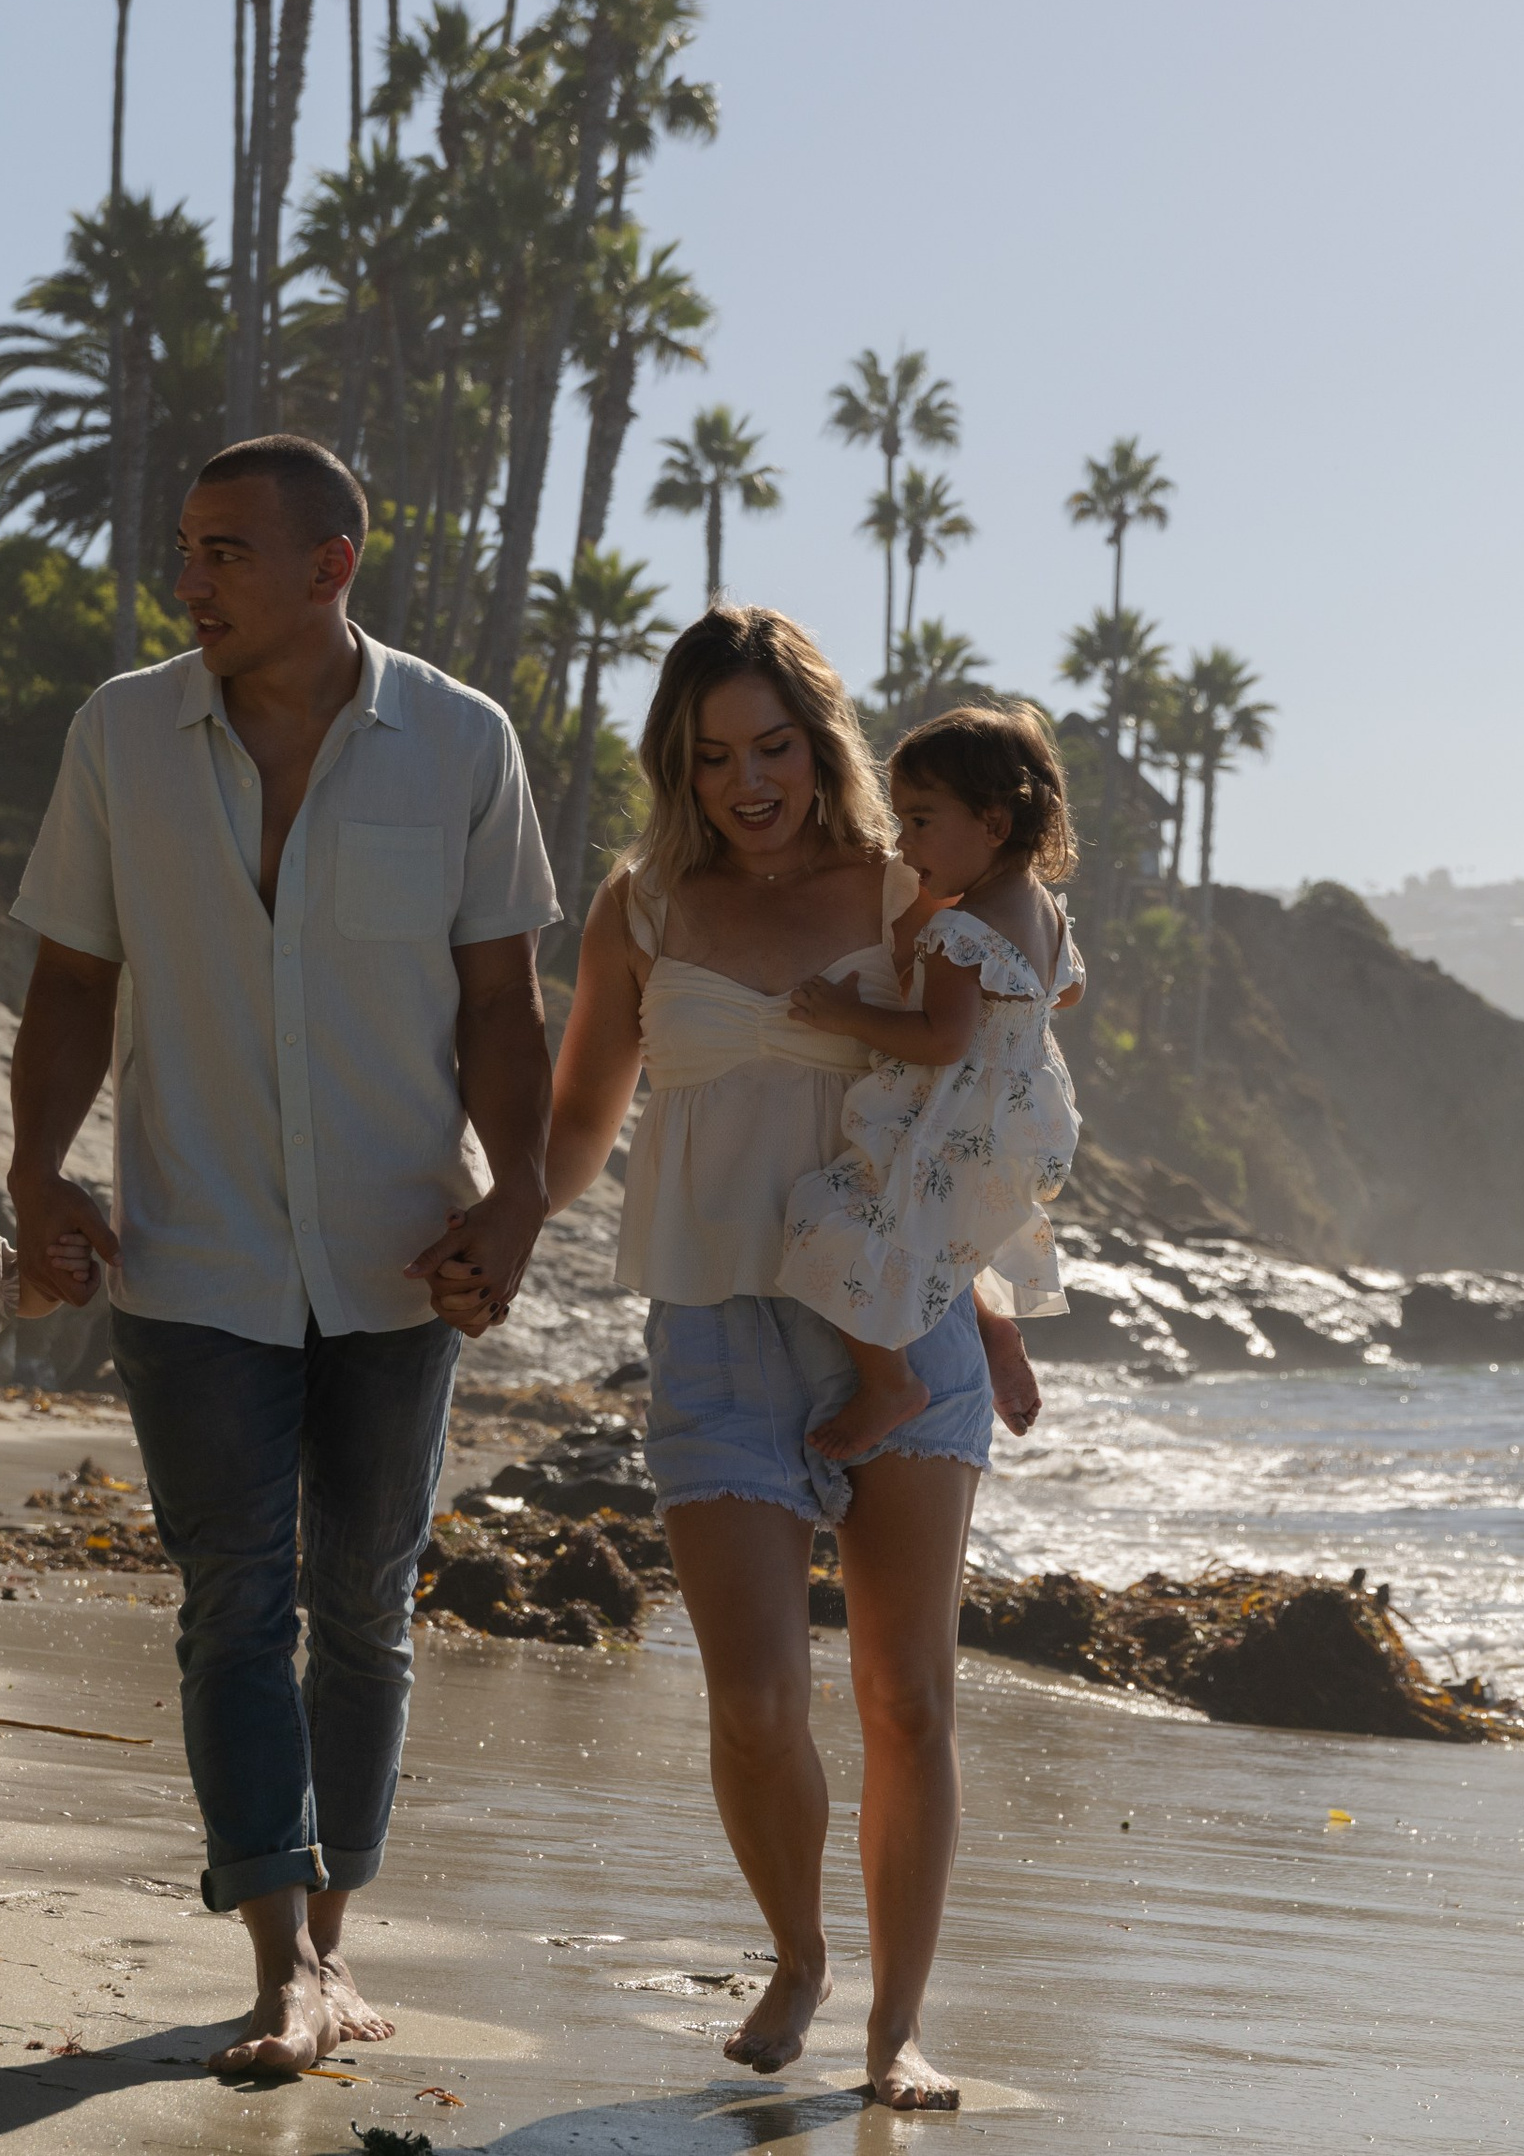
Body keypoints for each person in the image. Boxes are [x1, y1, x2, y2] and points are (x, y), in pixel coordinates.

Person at [5, 435, 558, 2076]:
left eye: (228, 549)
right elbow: (77, 982)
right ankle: (276, 1963)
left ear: (332, 566)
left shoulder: (462, 742)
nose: (192, 578)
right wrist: (35, 1170)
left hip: (404, 1258)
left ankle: (329, 1940)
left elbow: (501, 1005)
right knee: (234, 1604)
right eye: (186, 546)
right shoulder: (123, 733)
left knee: (367, 1606)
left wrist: (517, 1196)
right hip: (191, 1249)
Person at [539, 607, 1039, 2109]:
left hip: (904, 1328)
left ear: (819, 744)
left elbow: (990, 1108)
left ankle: (895, 2026)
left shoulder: (916, 892)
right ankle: (798, 1955)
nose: (747, 782)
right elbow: (576, 1123)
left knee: (907, 1698)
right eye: (712, 758)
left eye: (772, 747)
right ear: (676, 770)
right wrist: (497, 1225)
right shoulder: (640, 908)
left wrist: (1000, 1304)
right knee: (755, 1700)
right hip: (718, 1337)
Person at [775, 706, 1083, 1461]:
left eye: (918, 821)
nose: (901, 843)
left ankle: (889, 1384)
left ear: (992, 822)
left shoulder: (962, 931)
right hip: (1020, 1121)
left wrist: (848, 1013)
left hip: (949, 1119)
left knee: (831, 1224)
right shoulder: (1043, 912)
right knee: (931, 1239)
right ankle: (990, 1327)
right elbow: (1065, 991)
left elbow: (941, 1040)